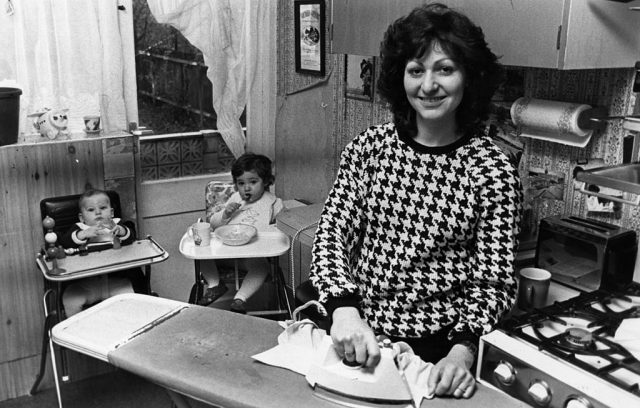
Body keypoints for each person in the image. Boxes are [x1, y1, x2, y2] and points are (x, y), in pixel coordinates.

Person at [309, 3, 522, 400]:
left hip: (438, 355)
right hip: (356, 334)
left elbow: (493, 283)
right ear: (399, 77)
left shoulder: (492, 169)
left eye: (445, 69)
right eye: (416, 70)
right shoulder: (368, 150)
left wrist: (461, 353)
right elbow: (331, 237)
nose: (428, 85)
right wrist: (343, 309)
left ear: (468, 77)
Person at [198, 153, 284, 314]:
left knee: (262, 267)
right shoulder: (235, 198)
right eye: (241, 183)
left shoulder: (274, 203)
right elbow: (213, 224)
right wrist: (225, 214)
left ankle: (240, 299)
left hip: (250, 254)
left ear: (265, 181)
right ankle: (215, 284)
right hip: (225, 253)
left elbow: (281, 229)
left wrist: (272, 230)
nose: (246, 188)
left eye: (253, 182)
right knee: (202, 253)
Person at [59, 189, 138, 316]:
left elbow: (131, 237)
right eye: (90, 210)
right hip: (86, 283)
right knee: (70, 298)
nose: (98, 212)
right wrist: (83, 234)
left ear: (111, 212)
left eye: (103, 208)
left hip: (116, 280)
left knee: (130, 297)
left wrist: (122, 231)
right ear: (82, 217)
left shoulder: (117, 225)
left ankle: (129, 326)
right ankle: (76, 330)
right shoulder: (80, 229)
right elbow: (65, 242)